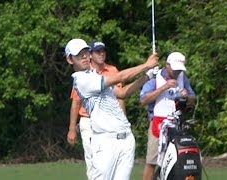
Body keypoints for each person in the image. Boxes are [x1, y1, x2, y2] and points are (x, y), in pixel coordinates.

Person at [65, 38, 158, 180]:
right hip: (105, 142)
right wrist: (146, 65)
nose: (84, 56)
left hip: (126, 139)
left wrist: (147, 76)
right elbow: (119, 77)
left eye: (85, 52)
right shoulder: (82, 80)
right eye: (78, 54)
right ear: (70, 60)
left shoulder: (95, 76)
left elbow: (122, 93)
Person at [67, 41, 125, 180]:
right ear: (91, 55)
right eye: (98, 51)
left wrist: (123, 119)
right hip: (88, 120)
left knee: (113, 159)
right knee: (93, 160)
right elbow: (76, 102)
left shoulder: (112, 71)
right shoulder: (84, 73)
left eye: (103, 51)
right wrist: (72, 128)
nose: (102, 54)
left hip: (110, 121)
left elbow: (120, 97)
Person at [140, 52, 196, 180]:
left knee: (177, 160)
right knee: (152, 162)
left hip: (178, 125)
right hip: (158, 124)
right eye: (175, 69)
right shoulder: (155, 77)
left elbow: (193, 99)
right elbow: (144, 99)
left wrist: (187, 96)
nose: (177, 72)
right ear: (167, 66)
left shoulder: (183, 78)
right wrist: (164, 87)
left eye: (179, 70)